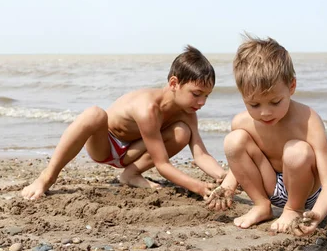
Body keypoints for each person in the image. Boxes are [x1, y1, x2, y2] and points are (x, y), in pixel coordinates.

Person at [22, 45, 226, 200]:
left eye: (207, 96)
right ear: (174, 83)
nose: (202, 102)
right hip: (107, 146)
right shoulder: (147, 108)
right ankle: (46, 178)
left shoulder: (187, 112)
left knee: (182, 132)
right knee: (94, 114)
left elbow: (200, 154)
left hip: (134, 151)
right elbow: (162, 165)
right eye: (197, 94)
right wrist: (197, 187)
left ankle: (130, 175)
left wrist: (224, 176)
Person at [207, 35, 327, 236]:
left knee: (296, 151)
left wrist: (318, 214)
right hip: (271, 187)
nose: (265, 112)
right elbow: (240, 163)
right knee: (233, 141)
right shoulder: (242, 122)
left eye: (275, 102)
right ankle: (262, 206)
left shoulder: (309, 121)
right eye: (254, 105)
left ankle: (293, 209)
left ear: (291, 87)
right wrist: (226, 188)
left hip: (307, 194)